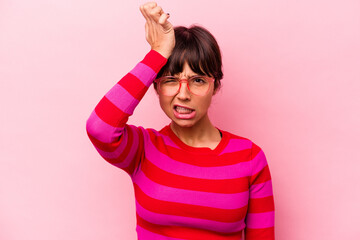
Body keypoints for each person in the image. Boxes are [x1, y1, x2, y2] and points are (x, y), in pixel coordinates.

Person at [86, 2, 275, 239]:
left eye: (197, 80)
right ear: (155, 86)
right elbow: (99, 127)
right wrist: (157, 54)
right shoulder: (143, 149)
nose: (183, 94)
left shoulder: (249, 158)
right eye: (170, 80)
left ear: (214, 85)